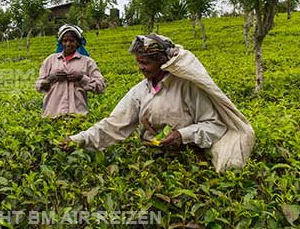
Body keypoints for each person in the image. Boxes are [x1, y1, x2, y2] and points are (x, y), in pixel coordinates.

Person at [59, 34, 255, 172]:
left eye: (145, 63)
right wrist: (79, 139)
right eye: (138, 62)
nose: (141, 68)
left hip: (192, 163)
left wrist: (182, 135)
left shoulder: (187, 87)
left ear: (162, 62)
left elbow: (214, 126)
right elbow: (114, 125)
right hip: (153, 161)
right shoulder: (140, 91)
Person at [35, 24, 106, 117]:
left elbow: (101, 87)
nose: (68, 44)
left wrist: (82, 78)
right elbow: (38, 86)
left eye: (72, 41)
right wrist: (50, 79)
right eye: (65, 41)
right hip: (52, 115)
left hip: (78, 116)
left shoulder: (87, 62)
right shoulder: (50, 60)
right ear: (61, 42)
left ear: (78, 42)